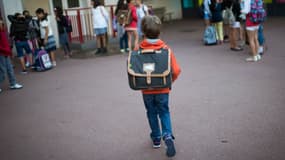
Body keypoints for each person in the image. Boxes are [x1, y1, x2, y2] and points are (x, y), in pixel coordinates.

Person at [138, 15, 181, 157]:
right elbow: (176, 70)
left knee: (151, 112)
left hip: (146, 89)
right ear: (159, 32)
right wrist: (169, 82)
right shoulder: (166, 49)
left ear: (143, 32)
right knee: (164, 111)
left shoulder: (138, 49)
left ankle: (156, 138)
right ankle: (167, 135)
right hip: (163, 88)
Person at [0, 18, 23, 93]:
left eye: (2, 22)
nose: (2, 23)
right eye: (0, 23)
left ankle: (13, 83)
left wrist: (9, 51)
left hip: (6, 53)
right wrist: (7, 51)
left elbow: (6, 43)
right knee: (2, 71)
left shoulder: (3, 32)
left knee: (10, 69)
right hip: (1, 54)